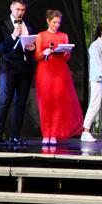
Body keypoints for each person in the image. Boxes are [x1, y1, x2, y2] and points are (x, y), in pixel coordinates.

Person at [0, 0, 36, 147]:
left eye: (23, 10)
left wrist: (32, 47)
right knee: (5, 101)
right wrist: (13, 36)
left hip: (25, 68)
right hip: (9, 68)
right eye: (17, 9)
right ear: (11, 8)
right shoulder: (2, 25)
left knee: (21, 102)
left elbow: (32, 42)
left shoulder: (28, 24)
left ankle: (15, 136)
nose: (20, 12)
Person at [34, 10, 82, 145]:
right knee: (45, 102)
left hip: (60, 71)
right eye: (54, 22)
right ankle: (46, 134)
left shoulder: (64, 36)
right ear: (48, 21)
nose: (56, 25)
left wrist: (67, 52)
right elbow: (37, 56)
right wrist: (44, 52)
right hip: (45, 70)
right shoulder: (41, 35)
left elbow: (66, 58)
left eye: (58, 23)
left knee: (58, 103)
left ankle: (54, 134)